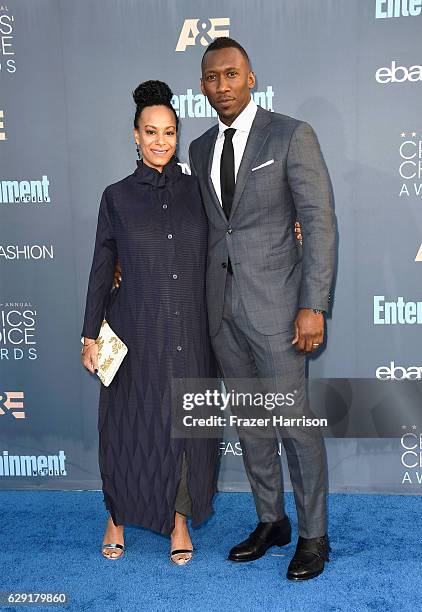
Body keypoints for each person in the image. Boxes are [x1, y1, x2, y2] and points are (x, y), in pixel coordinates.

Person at [188, 37, 336, 581]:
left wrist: (313, 304)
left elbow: (319, 223)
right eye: (211, 78)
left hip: (279, 310)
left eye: (231, 75)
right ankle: (270, 521)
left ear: (251, 78)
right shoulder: (200, 149)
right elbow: (210, 230)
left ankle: (314, 535)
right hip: (222, 313)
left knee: (295, 427)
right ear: (202, 87)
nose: (221, 86)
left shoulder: (291, 134)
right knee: (251, 425)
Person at [81, 80, 218, 565]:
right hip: (134, 330)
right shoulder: (115, 197)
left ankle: (179, 521)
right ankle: (115, 517)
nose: (160, 141)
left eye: (169, 132)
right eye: (150, 132)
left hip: (189, 332)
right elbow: (102, 265)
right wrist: (88, 334)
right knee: (125, 428)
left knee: (186, 430)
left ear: (178, 135)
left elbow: (232, 237)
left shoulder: (198, 190)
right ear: (135, 136)